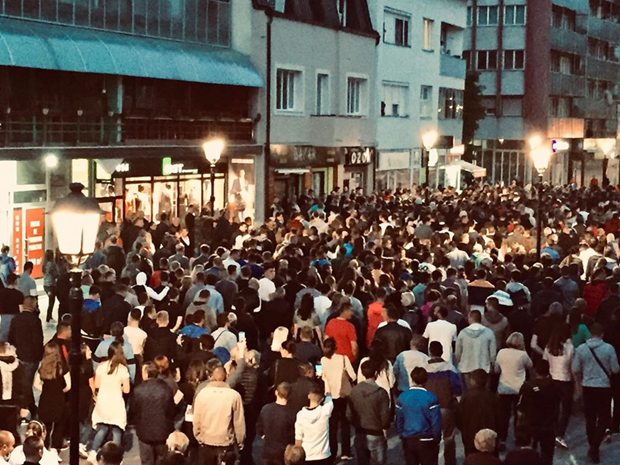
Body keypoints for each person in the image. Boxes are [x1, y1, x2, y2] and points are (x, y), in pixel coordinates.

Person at [572, 322, 620, 463]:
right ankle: (595, 446)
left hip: (588, 386)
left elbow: (575, 368)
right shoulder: (609, 348)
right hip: (604, 387)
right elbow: (615, 369)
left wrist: (580, 381)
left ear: (590, 334)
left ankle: (592, 444)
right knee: (604, 418)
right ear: (602, 334)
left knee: (590, 417)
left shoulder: (581, 349)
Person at [88, 342, 131, 463]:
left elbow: (97, 384)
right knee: (117, 429)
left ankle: (93, 452)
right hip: (116, 401)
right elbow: (127, 390)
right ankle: (115, 458)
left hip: (103, 400)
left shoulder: (101, 366)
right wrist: (119, 387)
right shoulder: (122, 369)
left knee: (102, 428)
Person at [193, 366, 245, 465]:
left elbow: (196, 419)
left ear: (211, 377)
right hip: (225, 442)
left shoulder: (202, 394)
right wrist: (240, 441)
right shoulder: (234, 396)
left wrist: (198, 436)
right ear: (226, 376)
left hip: (206, 440)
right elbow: (238, 422)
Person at [346, 361, 391, 465]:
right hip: (376, 432)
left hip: (360, 433)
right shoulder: (381, 392)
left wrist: (356, 424)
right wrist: (385, 428)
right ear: (376, 373)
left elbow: (349, 414)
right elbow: (384, 415)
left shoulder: (354, 391)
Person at [131, 362, 175, 465]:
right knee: (162, 460)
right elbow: (171, 410)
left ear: (146, 373)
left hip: (144, 432)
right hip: (163, 431)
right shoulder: (166, 388)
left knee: (147, 461)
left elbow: (133, 410)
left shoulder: (138, 390)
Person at [425, 341, 462, 465]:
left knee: (430, 439)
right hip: (446, 407)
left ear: (430, 352)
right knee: (448, 437)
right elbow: (457, 389)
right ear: (441, 352)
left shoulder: (423, 368)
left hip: (429, 409)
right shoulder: (449, 368)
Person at [395, 367, 441, 465]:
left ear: (412, 379)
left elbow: (399, 419)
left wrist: (401, 435)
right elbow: (436, 422)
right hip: (427, 439)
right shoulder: (431, 398)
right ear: (426, 380)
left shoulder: (402, 397)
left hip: (408, 439)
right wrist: (436, 439)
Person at [495, 332, 533, 448]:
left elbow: (496, 370)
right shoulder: (522, 355)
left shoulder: (501, 352)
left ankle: (502, 439)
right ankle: (518, 437)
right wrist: (525, 350)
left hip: (504, 388)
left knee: (504, 415)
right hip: (519, 389)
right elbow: (530, 365)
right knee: (519, 415)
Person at [517, 360, 559, 465]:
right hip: (549, 426)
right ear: (548, 370)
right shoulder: (554, 386)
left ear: (535, 370)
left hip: (531, 425)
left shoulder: (528, 386)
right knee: (547, 455)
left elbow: (521, 407)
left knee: (530, 454)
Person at [33, 342, 70, 458]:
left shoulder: (42, 367)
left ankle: (44, 448)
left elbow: (36, 384)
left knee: (46, 426)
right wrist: (60, 391)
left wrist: (45, 390)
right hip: (59, 399)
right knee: (59, 425)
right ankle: (54, 449)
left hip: (45, 399)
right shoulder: (62, 367)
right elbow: (69, 385)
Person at [320, 338, 355, 461]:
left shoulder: (323, 360)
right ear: (335, 347)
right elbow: (353, 376)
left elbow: (322, 377)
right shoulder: (343, 359)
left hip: (329, 395)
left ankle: (332, 452)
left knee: (332, 425)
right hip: (343, 394)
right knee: (345, 424)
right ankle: (346, 451)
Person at [7, 296, 43, 415]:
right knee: (27, 383)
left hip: (19, 354)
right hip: (31, 356)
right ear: (33, 304)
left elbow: (10, 337)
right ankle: (30, 407)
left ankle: (24, 406)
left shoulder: (16, 318)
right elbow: (38, 340)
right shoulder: (35, 320)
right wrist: (39, 356)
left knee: (23, 382)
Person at [542, 324, 574, 449]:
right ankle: (560, 434)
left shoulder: (549, 347)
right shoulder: (570, 348)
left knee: (553, 408)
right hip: (565, 380)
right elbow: (573, 366)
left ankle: (551, 430)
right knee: (566, 410)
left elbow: (545, 362)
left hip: (552, 379)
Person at [456, 369, 499, 456]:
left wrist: (464, 429)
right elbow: (499, 418)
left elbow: (458, 416)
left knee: (471, 458)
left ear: (473, 381)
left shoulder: (466, 397)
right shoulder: (492, 397)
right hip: (488, 436)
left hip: (470, 435)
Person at [257, 382, 297, 465]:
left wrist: (264, 435)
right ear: (290, 395)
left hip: (267, 451)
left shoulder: (266, 409)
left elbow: (259, 428)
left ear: (276, 393)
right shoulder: (293, 413)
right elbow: (293, 434)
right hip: (283, 453)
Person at [455, 310, 496, 390]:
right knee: (484, 393)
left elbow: (458, 352)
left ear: (470, 318)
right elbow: (493, 354)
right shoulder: (489, 333)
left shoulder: (463, 333)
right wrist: (492, 365)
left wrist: (459, 362)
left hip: (466, 367)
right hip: (484, 368)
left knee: (468, 393)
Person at [294, 384, 334, 465]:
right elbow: (329, 396)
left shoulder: (300, 415)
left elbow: (298, 438)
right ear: (322, 399)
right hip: (324, 455)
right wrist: (326, 380)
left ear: (308, 396)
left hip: (307, 455)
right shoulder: (325, 411)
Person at [0, 274, 23, 342]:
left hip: (4, 317)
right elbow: (21, 308)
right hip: (16, 316)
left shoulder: (1, 292)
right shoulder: (19, 294)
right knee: (16, 336)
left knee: (4, 336)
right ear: (15, 281)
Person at [42, 251, 58, 323]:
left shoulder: (44, 264)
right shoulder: (52, 264)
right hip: (51, 284)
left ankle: (49, 317)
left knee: (50, 301)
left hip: (46, 284)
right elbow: (55, 274)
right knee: (51, 301)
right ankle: (49, 317)